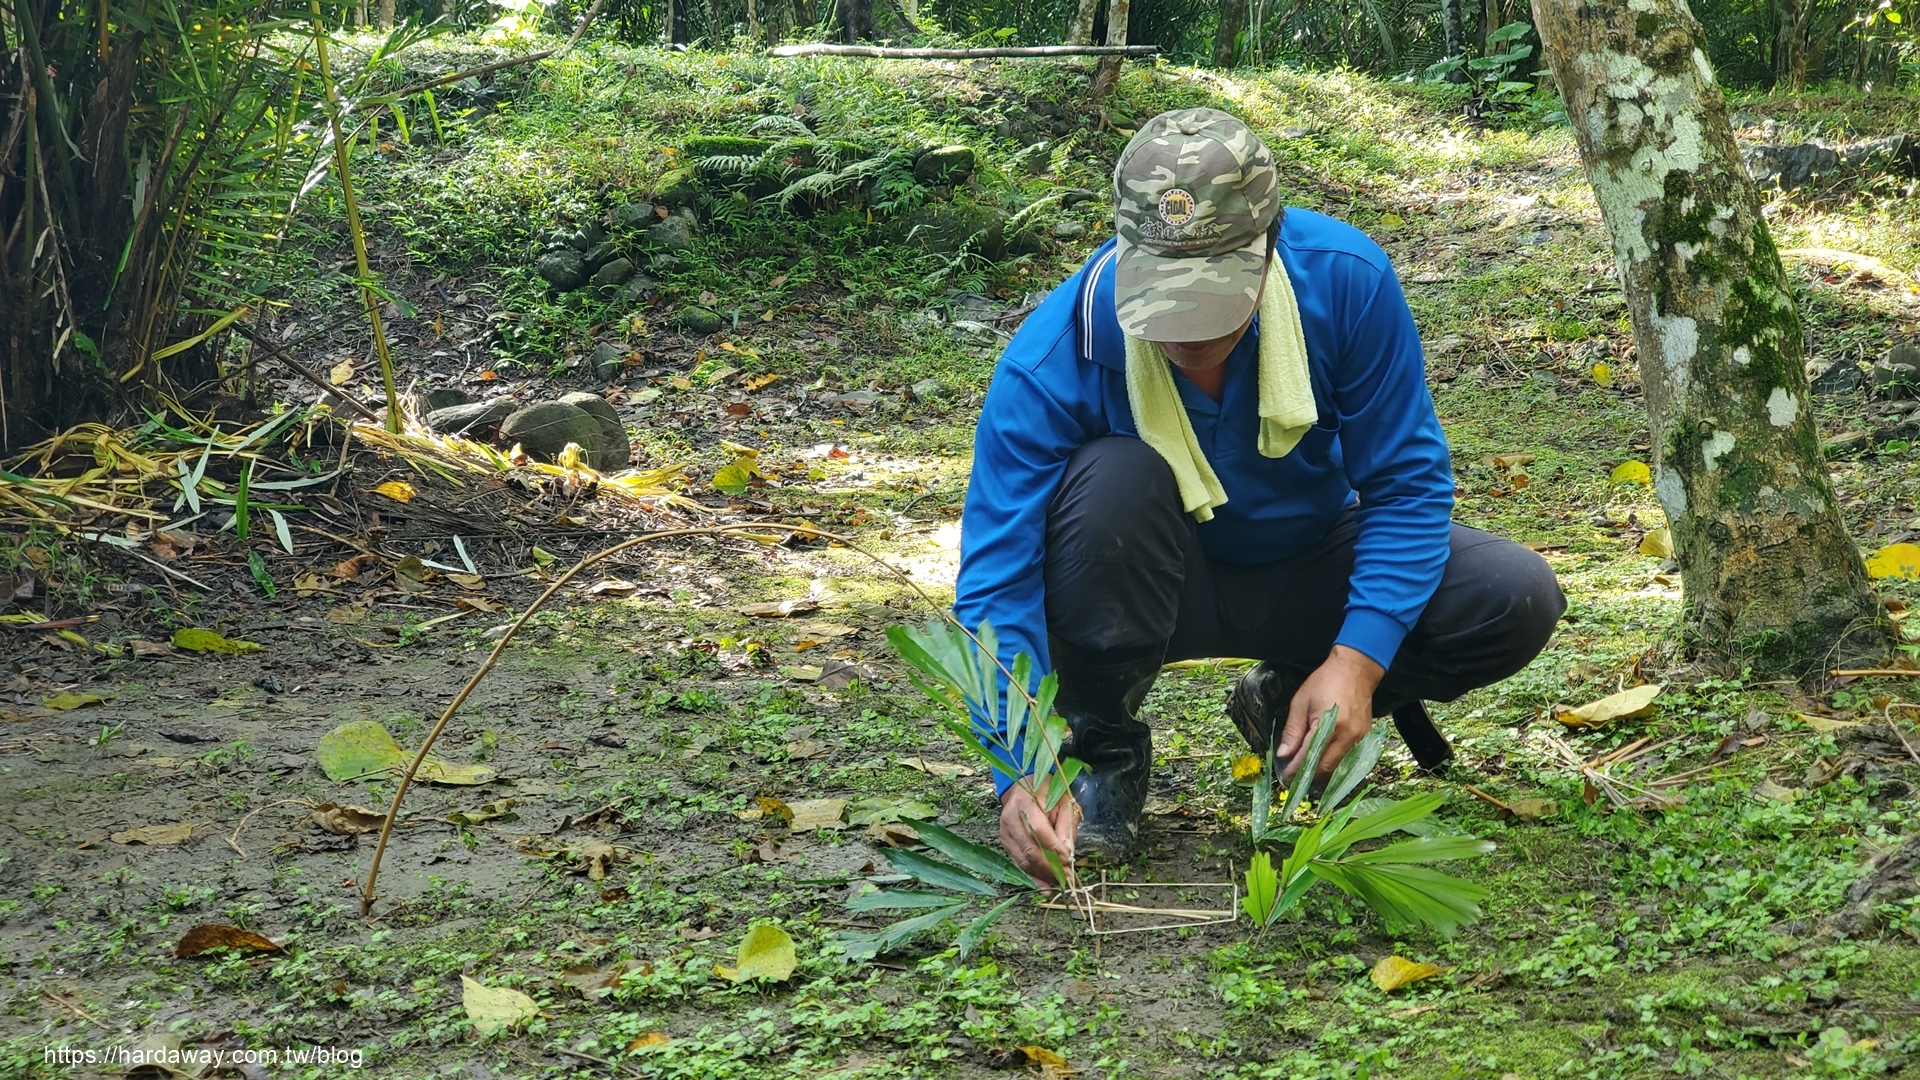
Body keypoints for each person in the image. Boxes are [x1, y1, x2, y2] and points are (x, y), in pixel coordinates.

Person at [951, 107, 1566, 886]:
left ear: (1268, 246)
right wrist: (1019, 762)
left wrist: (1359, 660)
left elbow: (1406, 486)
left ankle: (1290, 697)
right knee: (1114, 478)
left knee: (1513, 596)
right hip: (1137, 583)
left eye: (1211, 301)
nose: (1186, 335)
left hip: (1307, 557)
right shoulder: (1055, 350)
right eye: (1164, 303)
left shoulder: (1345, 283)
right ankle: (1097, 750)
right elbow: (996, 579)